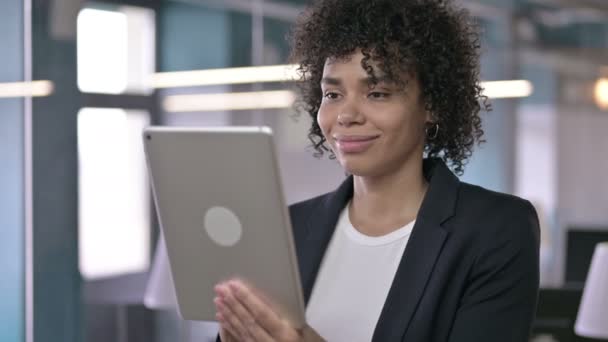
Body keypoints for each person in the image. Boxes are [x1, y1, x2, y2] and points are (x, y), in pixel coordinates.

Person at [213, 0, 540, 341]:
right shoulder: (288, 230)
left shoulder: (495, 229)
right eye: (333, 93)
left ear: (432, 105)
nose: (346, 115)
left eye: (378, 93)